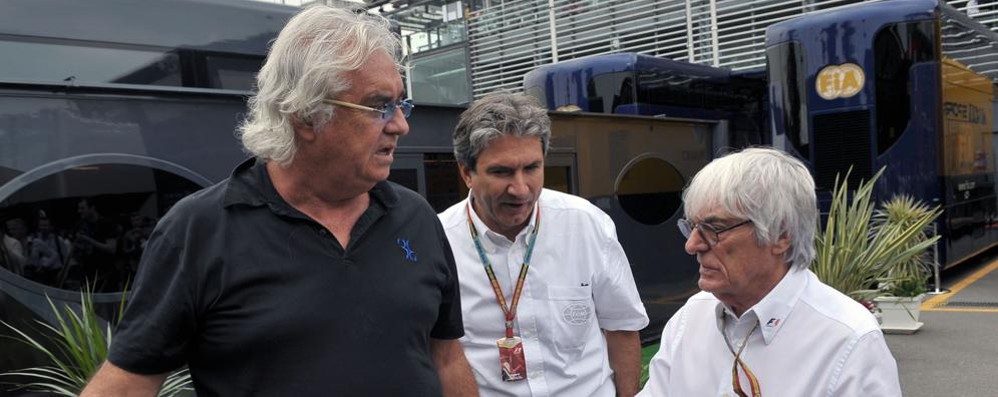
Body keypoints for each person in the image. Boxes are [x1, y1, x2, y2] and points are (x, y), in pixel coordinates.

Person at [82, 5, 477, 396]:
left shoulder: (417, 218)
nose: (401, 125)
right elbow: (126, 384)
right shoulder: (198, 231)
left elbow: (446, 357)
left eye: (401, 104)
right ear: (306, 115)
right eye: (379, 106)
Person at [638, 147, 902, 396]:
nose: (691, 245)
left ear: (780, 235)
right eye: (692, 227)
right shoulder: (690, 318)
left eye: (714, 228)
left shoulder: (848, 339)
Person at [438, 93, 649, 396]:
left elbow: (623, 328)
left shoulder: (586, 225)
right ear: (466, 172)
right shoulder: (439, 241)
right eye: (502, 172)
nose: (521, 188)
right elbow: (439, 356)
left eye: (532, 168)